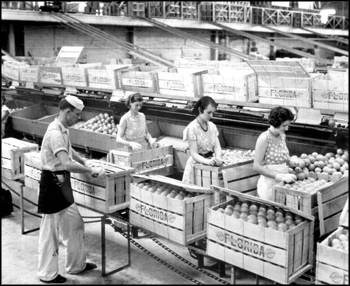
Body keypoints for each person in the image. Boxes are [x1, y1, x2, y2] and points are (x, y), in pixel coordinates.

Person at [37, 95, 105, 283]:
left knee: (75, 223)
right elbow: (66, 163)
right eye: (77, 114)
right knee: (50, 232)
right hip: (51, 184)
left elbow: (68, 150)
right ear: (67, 112)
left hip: (62, 183)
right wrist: (89, 170)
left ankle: (76, 265)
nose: (78, 118)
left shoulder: (63, 129)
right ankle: (47, 274)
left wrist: (84, 160)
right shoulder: (55, 133)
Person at [253, 106, 297, 201]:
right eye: (284, 126)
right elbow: (256, 166)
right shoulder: (264, 138)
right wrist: (279, 176)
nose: (287, 128)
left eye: (288, 125)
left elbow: (283, 156)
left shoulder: (282, 136)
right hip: (269, 186)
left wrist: (291, 161)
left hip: (283, 184)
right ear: (276, 123)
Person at [182, 96, 223, 184]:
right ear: (200, 110)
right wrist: (207, 161)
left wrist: (218, 158)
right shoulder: (192, 128)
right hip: (196, 166)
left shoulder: (212, 126)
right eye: (209, 112)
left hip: (210, 164)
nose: (211, 116)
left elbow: (217, 147)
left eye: (213, 113)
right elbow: (194, 153)